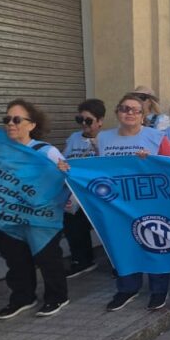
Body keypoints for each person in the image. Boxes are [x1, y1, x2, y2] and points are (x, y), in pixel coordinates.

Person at [0, 99, 71, 319]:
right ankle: (23, 297)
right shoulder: (0, 152)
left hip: (40, 219)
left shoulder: (46, 152)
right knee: (16, 260)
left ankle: (57, 296)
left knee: (48, 259)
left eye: (17, 119)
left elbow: (67, 179)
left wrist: (64, 174)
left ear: (32, 125)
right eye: (7, 119)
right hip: (8, 219)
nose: (10, 123)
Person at [99, 94, 170, 312]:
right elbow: (98, 168)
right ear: (117, 113)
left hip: (150, 202)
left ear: (143, 116)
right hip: (117, 203)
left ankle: (159, 289)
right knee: (123, 246)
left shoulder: (156, 137)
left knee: (155, 244)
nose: (130, 113)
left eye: (135, 110)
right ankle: (127, 288)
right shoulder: (104, 138)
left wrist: (151, 164)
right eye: (124, 109)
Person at [61, 98, 105, 278]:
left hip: (98, 191)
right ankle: (82, 260)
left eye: (89, 121)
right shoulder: (73, 138)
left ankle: (117, 263)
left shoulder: (107, 138)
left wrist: (97, 149)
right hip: (76, 191)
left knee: (105, 226)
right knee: (72, 223)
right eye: (80, 120)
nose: (84, 125)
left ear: (100, 121)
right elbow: (64, 159)